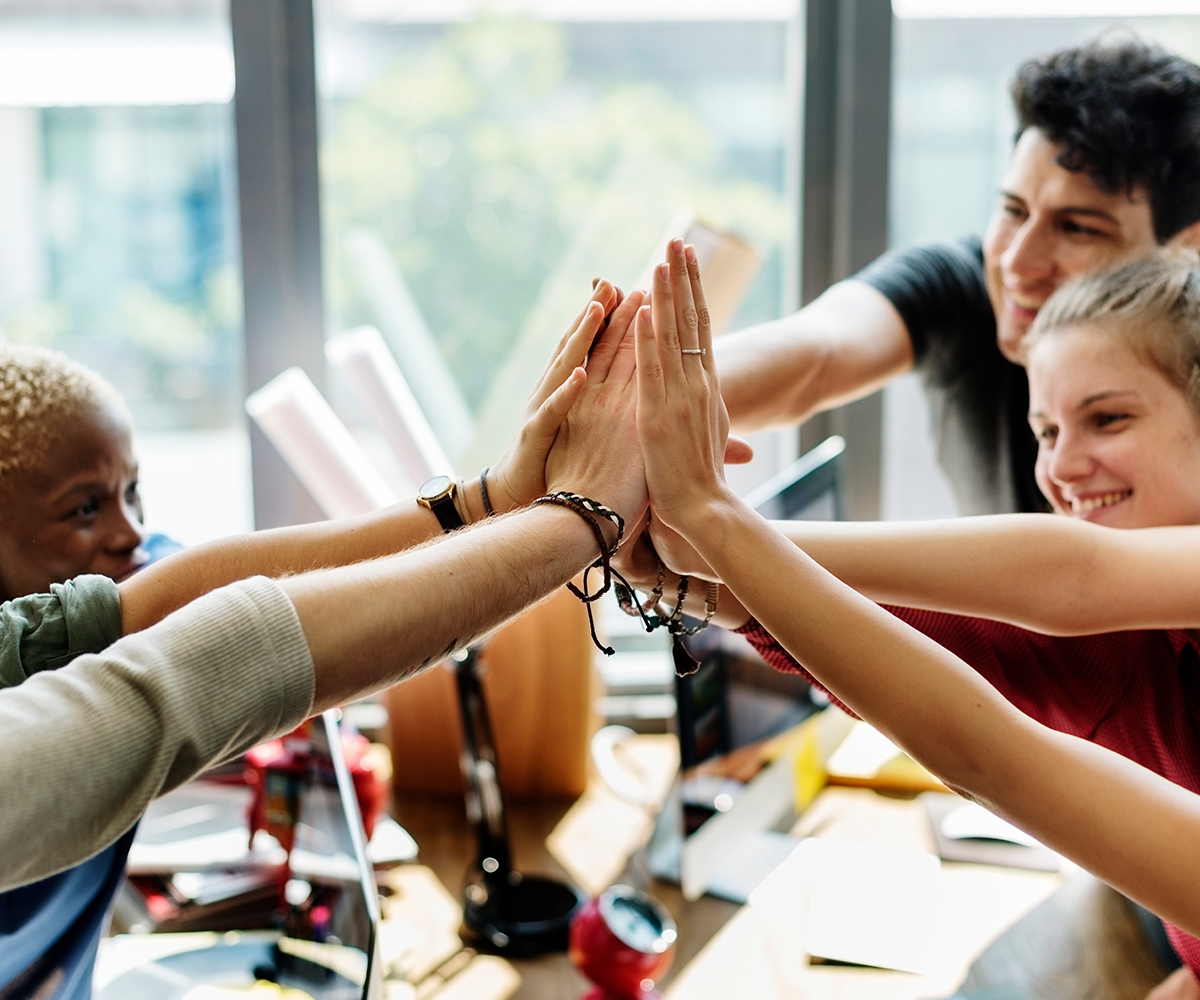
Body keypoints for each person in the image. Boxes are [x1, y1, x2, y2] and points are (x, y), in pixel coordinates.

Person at [0, 280, 642, 998]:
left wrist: (491, 501)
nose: (130, 533)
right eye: (84, 509)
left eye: (132, 492)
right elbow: (212, 664)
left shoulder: (83, 599)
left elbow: (185, 595)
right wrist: (575, 521)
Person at [630, 239, 1200, 981]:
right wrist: (698, 570)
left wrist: (713, 528)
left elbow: (1008, 716)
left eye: (1110, 419)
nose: (1060, 468)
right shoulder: (1147, 651)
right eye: (1047, 433)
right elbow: (931, 638)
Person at [716, 37, 1200, 515]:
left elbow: (1068, 569)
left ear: (1189, 248)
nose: (1017, 262)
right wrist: (654, 392)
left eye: (1077, 229)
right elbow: (816, 351)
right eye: (1013, 210)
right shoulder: (969, 285)